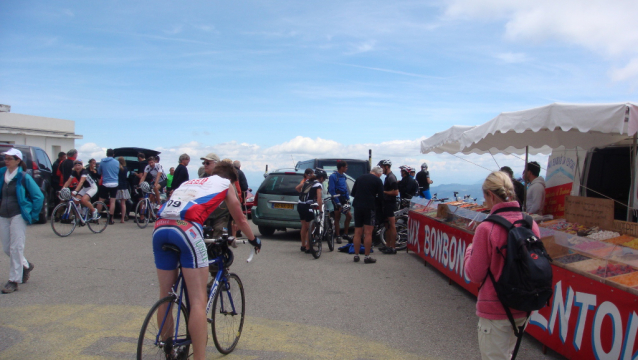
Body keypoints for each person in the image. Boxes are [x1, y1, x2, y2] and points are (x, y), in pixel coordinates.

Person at [153, 161, 261, 360]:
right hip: (186, 229)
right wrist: (254, 240)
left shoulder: (192, 181)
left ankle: (169, 350)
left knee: (165, 295)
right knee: (197, 302)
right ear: (230, 179)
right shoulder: (225, 184)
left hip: (160, 227)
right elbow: (240, 218)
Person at [464, 171, 540, 360]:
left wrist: (469, 250)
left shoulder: (486, 228)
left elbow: (474, 274)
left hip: (495, 307)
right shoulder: (530, 223)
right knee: (508, 353)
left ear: (490, 195)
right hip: (524, 304)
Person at [0, 148, 43, 294]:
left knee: (16, 247)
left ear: (18, 160)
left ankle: (14, 281)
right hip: (3, 215)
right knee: (7, 248)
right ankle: (25, 265)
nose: (6, 160)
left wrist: (32, 214)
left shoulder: (24, 177)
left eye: (9, 158)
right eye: (5, 158)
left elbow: (38, 196)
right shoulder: (1, 174)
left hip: (18, 215)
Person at [350, 166, 384, 264]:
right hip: (369, 207)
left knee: (357, 232)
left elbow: (353, 193)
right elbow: (381, 197)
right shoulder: (377, 181)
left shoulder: (359, 178)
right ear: (378, 174)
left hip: (357, 206)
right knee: (368, 233)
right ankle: (366, 256)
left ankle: (356, 255)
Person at [327, 160, 352, 244]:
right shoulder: (333, 176)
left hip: (343, 198)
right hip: (336, 198)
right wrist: (337, 202)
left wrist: (347, 199)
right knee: (337, 217)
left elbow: (345, 189)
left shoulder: (343, 176)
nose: (347, 168)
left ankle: (345, 234)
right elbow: (331, 190)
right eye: (346, 167)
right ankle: (337, 236)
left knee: (349, 216)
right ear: (341, 167)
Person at [378, 160, 398, 254]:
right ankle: (387, 245)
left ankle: (393, 247)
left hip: (390, 204)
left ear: (386, 167)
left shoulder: (391, 177)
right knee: (387, 226)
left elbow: (396, 192)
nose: (381, 169)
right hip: (386, 204)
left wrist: (383, 192)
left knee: (392, 225)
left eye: (382, 167)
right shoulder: (387, 177)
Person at [98, 149, 120, 225]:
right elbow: (117, 172)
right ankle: (111, 218)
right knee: (112, 201)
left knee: (101, 200)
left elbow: (99, 172)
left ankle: (97, 217)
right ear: (113, 154)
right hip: (114, 183)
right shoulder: (117, 162)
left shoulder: (102, 161)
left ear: (106, 154)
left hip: (105, 183)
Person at [115, 157, 130, 223]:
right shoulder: (126, 169)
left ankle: (111, 217)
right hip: (124, 187)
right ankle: (123, 218)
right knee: (123, 203)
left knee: (113, 201)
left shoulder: (116, 168)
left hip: (117, 186)